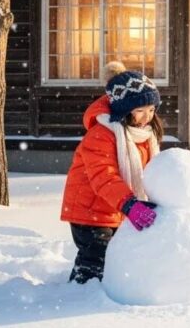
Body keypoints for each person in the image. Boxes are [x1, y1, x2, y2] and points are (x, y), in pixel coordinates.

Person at [60, 62, 163, 283]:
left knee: (117, 258)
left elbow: (155, 170)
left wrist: (176, 198)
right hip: (90, 209)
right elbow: (103, 175)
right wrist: (129, 204)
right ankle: (77, 299)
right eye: (140, 111)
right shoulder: (101, 134)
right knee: (96, 259)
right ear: (124, 110)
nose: (147, 117)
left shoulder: (143, 136)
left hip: (115, 207)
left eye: (152, 110)